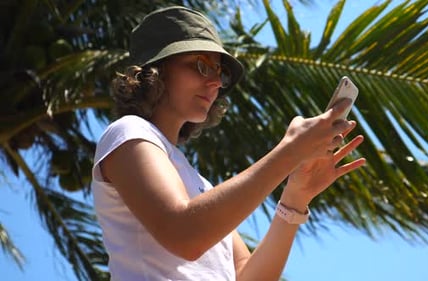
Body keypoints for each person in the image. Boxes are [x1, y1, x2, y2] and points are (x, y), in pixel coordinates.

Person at [91, 5, 366, 281]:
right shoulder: (128, 132)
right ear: (155, 71)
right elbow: (184, 234)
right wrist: (290, 152)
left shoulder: (200, 186)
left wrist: (296, 197)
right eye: (201, 66)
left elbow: (248, 276)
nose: (215, 84)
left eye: (219, 73)